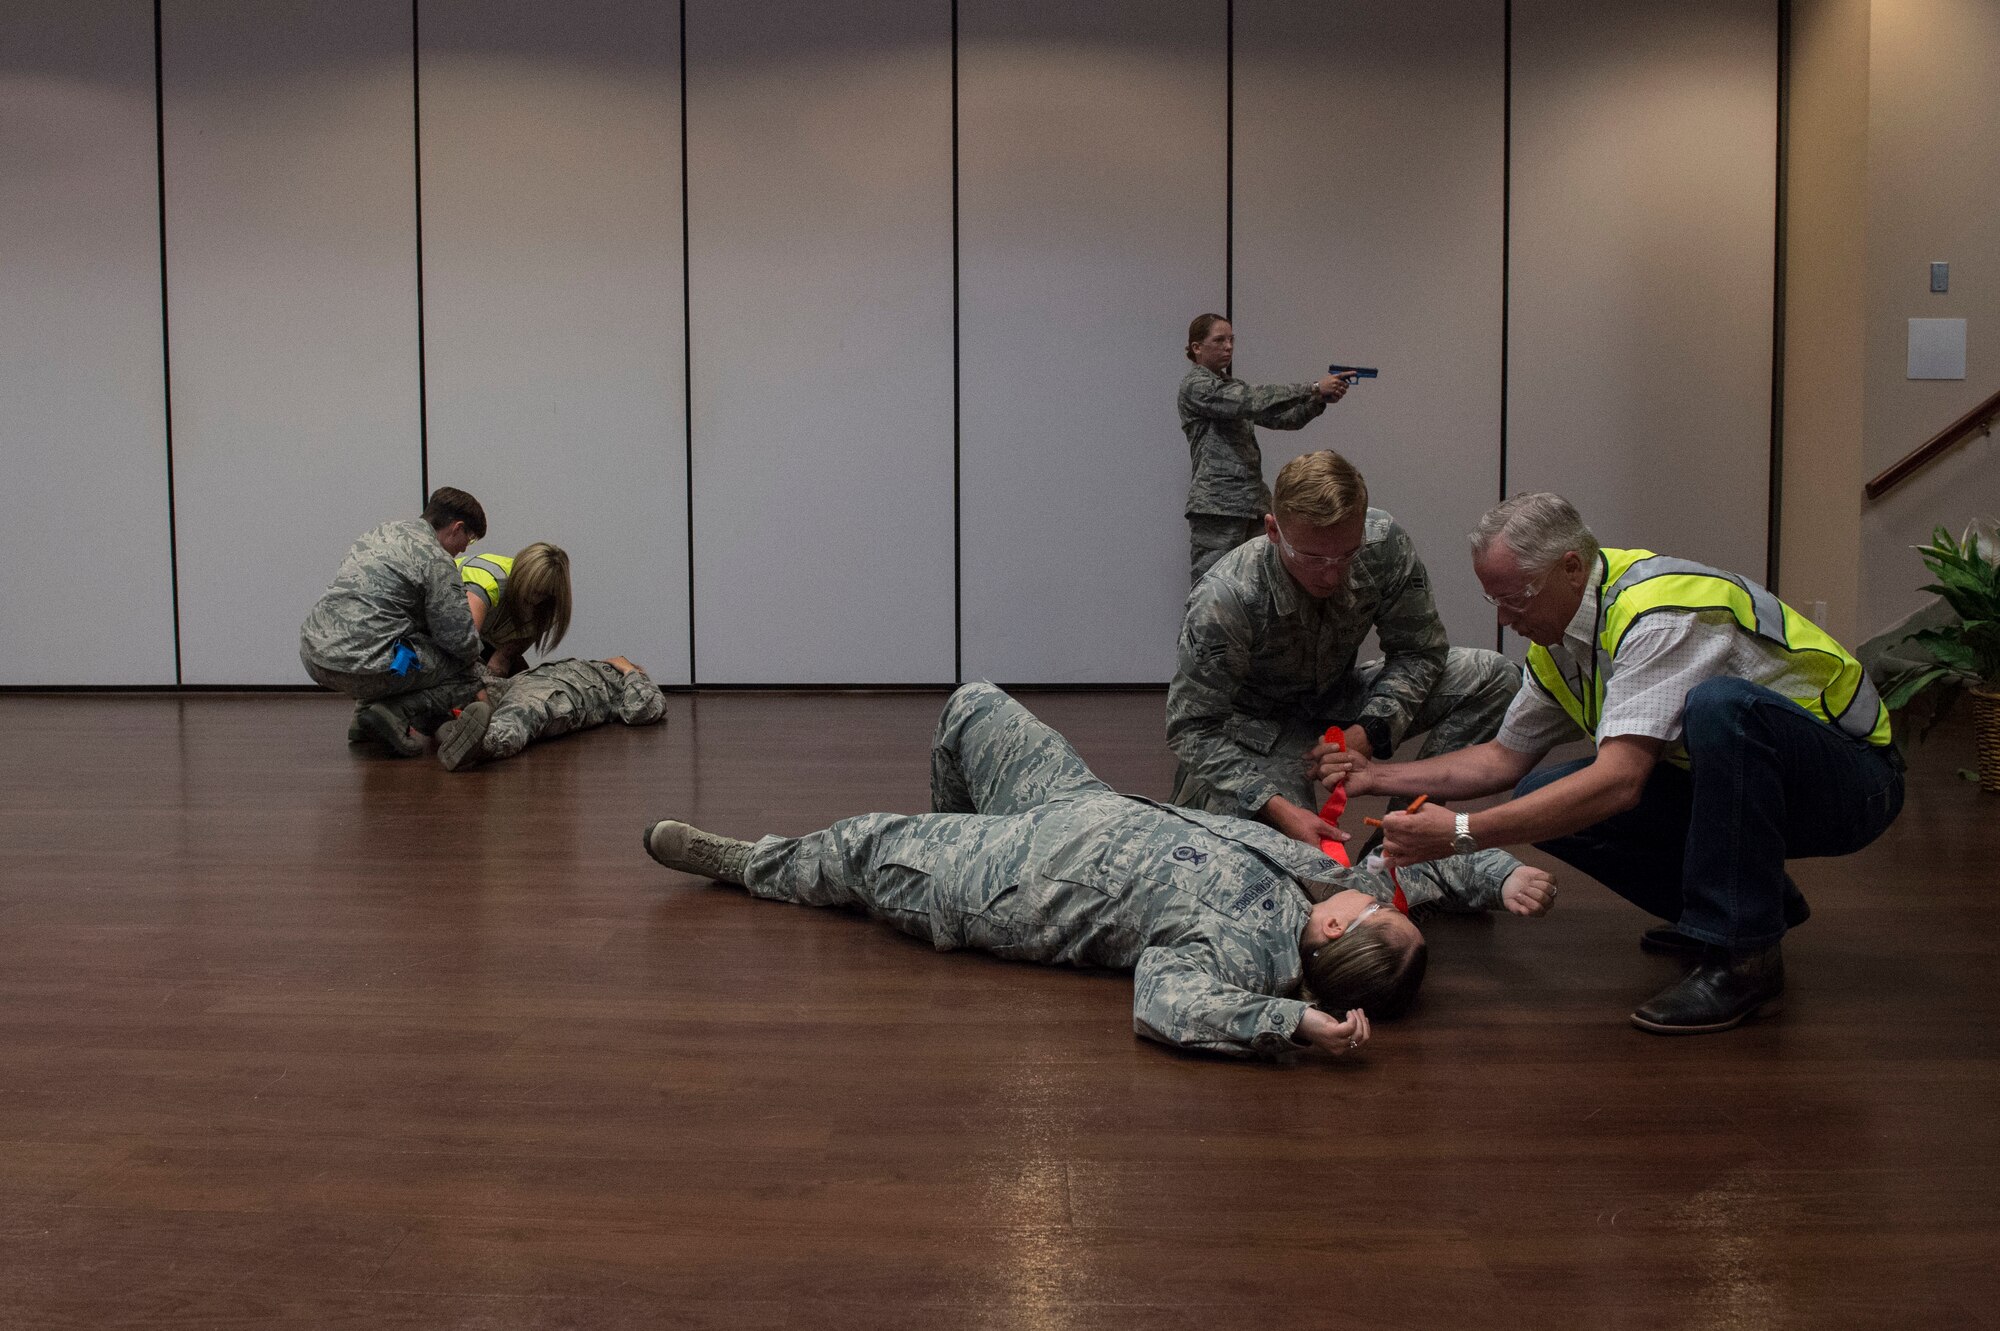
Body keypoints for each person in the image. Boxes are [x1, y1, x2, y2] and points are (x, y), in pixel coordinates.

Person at [640, 683, 1554, 1061]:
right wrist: (1496, 874)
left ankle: (751, 863)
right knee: (974, 702)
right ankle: (948, 826)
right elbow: (1414, 871)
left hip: (1017, 877)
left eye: (1375, 913)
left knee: (861, 844)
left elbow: (1164, 1002)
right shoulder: (1326, 889)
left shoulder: (1237, 956)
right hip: (1079, 800)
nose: (1378, 895)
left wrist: (1296, 1024)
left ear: (1332, 934)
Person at [1322, 492, 1904, 1036]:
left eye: (1515, 596)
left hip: (1854, 785)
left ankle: (1742, 957)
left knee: (1720, 708)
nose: (1504, 617)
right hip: (1761, 789)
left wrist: (1461, 833)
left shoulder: (1661, 614)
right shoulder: (1560, 644)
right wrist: (1373, 777)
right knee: (1551, 787)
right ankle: (1753, 905)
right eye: (1492, 599)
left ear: (1571, 568)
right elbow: (1503, 759)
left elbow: (1620, 784)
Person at [1168, 450, 1521, 848]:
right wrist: (1278, 808)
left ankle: (1402, 844)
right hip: (1254, 731)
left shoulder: (1381, 543)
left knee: (1495, 676)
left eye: (1346, 554)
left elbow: (1419, 651)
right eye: (1312, 557)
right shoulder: (1227, 598)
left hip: (1338, 699)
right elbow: (1192, 729)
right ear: (1272, 530)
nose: (1332, 573)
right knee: (1282, 867)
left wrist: (1369, 730)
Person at [300, 487, 488, 756]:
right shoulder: (437, 560)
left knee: (398, 641)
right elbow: (459, 640)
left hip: (314, 652)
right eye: (468, 540)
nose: (462, 549)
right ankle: (394, 714)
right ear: (457, 528)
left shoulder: (379, 533)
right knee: (466, 668)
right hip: (361, 663)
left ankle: (364, 721)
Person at [1180, 313, 1354, 584]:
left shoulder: (1233, 386)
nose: (1228, 346)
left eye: (1231, 340)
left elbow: (1282, 419)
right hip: (1218, 506)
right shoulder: (1196, 386)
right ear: (1197, 348)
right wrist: (1313, 387)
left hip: (1252, 504)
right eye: (1219, 340)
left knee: (1258, 587)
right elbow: (1252, 401)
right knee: (1211, 588)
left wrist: (1319, 400)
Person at [434, 654, 666, 771]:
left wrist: (630, 671)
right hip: (525, 681)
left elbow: (643, 709)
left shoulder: (627, 683)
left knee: (522, 713)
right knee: (468, 684)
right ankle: (443, 725)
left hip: (562, 692)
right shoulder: (593, 665)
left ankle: (484, 743)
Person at [457, 542, 574, 677]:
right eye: (532, 590)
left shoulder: (547, 609)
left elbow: (502, 660)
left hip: (483, 644)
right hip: (443, 633)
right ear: (521, 576)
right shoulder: (486, 581)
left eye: (544, 594)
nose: (535, 599)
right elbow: (463, 645)